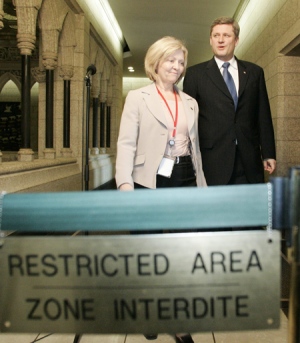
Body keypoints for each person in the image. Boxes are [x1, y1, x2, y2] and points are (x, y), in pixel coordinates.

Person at [115, 36, 206, 343]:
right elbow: (126, 143)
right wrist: (124, 182)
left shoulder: (190, 101)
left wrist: (202, 186)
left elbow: (196, 151)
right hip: (147, 179)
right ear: (155, 63)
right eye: (171, 60)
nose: (177, 67)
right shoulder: (138, 97)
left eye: (181, 62)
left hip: (184, 177)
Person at [183, 16, 276, 186]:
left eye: (226, 35)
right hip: (212, 161)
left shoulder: (254, 72)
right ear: (210, 40)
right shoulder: (195, 75)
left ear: (236, 40)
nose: (220, 40)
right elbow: (188, 121)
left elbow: (263, 115)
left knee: (248, 209)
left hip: (248, 159)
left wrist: (269, 152)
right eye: (216, 35)